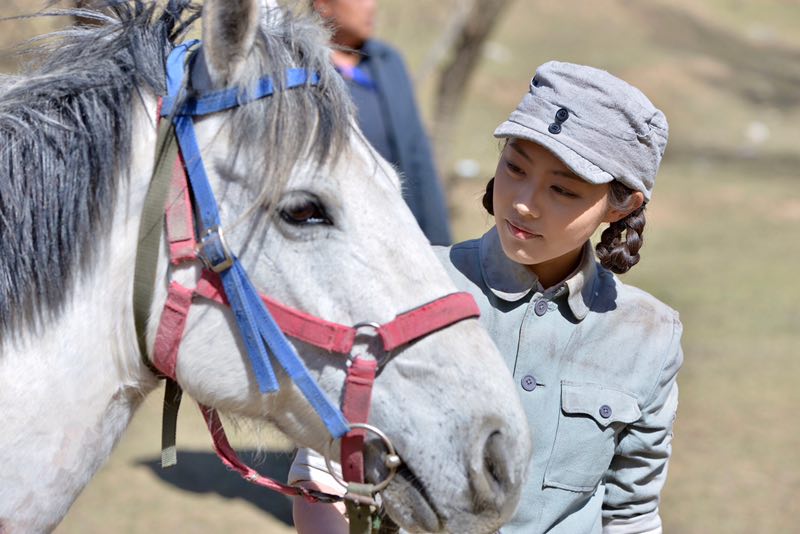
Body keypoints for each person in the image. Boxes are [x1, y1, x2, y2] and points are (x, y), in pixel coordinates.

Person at [289, 61, 683, 534]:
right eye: (515, 167)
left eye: (563, 189)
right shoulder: (404, 282)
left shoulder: (649, 336)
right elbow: (323, 476)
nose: (524, 201)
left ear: (622, 205)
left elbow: (631, 517)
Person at [311, 0, 452, 245]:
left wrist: (440, 244)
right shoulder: (300, 69)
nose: (371, 6)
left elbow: (418, 158)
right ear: (323, 5)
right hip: (341, 239)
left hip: (403, 232)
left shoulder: (388, 62)